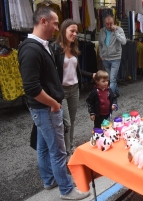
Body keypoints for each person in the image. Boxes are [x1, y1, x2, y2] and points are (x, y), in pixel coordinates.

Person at [18, 7, 90, 200]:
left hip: (45, 107)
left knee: (43, 147)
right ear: (43, 21)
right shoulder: (31, 49)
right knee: (58, 150)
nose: (57, 28)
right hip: (46, 108)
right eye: (56, 23)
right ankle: (66, 189)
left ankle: (49, 180)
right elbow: (31, 87)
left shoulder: (41, 45)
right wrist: (54, 104)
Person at [50, 19, 96, 156]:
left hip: (74, 89)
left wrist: (92, 75)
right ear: (64, 30)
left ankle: (68, 149)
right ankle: (65, 152)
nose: (75, 34)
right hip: (61, 91)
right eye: (72, 31)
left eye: (76, 31)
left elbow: (77, 70)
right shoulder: (55, 48)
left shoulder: (74, 48)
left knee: (72, 121)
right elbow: (52, 73)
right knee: (66, 123)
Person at [99, 15, 126, 98]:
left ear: (114, 22)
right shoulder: (102, 31)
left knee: (112, 79)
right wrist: (101, 55)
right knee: (111, 78)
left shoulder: (119, 30)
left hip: (115, 58)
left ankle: (109, 96)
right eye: (107, 24)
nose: (109, 26)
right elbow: (100, 44)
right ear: (104, 24)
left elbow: (124, 42)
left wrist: (116, 32)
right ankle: (116, 92)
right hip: (105, 58)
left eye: (111, 24)